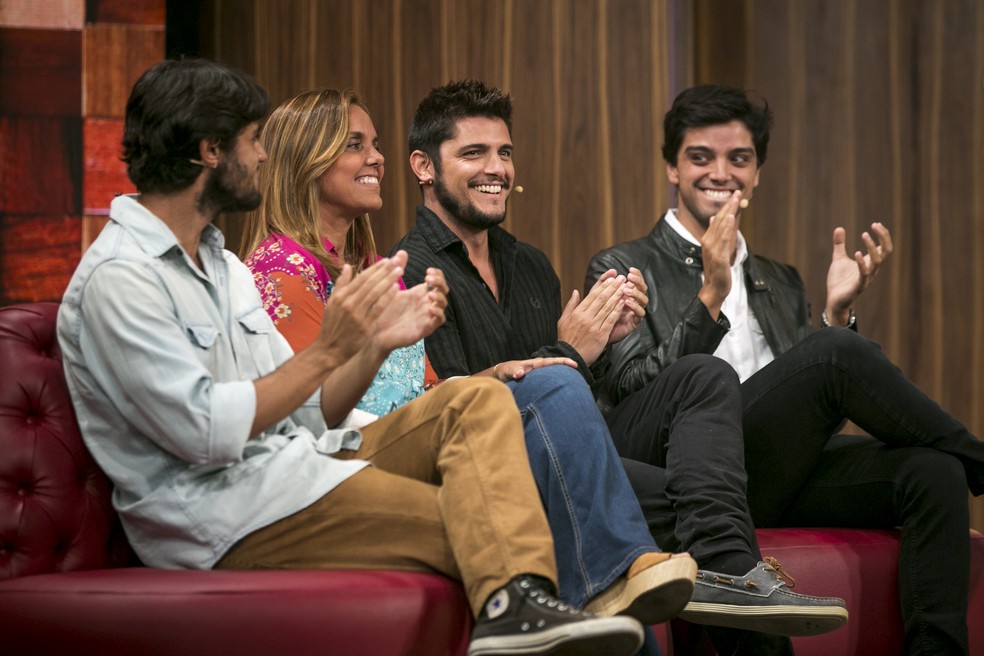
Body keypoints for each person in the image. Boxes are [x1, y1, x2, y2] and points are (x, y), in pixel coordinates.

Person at [55, 58, 665, 656]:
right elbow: (207, 433)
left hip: (300, 466)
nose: (264, 156)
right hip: (223, 516)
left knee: (474, 398)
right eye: (251, 141)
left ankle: (520, 614)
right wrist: (330, 349)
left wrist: (371, 345)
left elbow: (311, 414)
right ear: (210, 151)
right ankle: (532, 612)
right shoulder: (121, 279)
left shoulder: (220, 266)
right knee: (502, 526)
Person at [389, 79, 848, 652]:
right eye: (473, 153)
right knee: (704, 508)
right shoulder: (406, 272)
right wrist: (570, 353)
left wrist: (603, 346)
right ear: (424, 167)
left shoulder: (529, 265)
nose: (496, 168)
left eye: (504, 152)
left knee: (706, 377)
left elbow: (579, 394)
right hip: (503, 475)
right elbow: (452, 409)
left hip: (579, 447)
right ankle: (730, 571)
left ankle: (730, 573)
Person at [237, 88, 699, 638]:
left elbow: (432, 392)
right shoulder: (280, 269)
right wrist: (553, 359)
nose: (376, 158)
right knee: (557, 392)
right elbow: (315, 411)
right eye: (355, 145)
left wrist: (499, 374)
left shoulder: (373, 266)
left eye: (375, 143)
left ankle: (639, 581)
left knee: (658, 424)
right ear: (306, 162)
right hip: (348, 466)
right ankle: (620, 576)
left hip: (438, 440)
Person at [587, 83, 984, 656]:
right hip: (686, 475)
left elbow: (803, 399)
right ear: (672, 168)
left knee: (934, 471)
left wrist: (833, 314)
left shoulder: (782, 278)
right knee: (834, 354)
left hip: (767, 472)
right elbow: (630, 395)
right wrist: (710, 295)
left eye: (739, 159)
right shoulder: (624, 264)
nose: (720, 173)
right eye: (701, 157)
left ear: (758, 174)